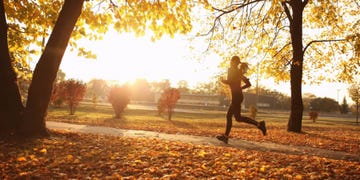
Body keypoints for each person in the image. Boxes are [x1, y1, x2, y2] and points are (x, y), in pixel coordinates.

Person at [216, 56, 266, 144]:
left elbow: (230, 81)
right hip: (238, 96)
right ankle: (259, 124)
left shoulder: (232, 70)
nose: (231, 62)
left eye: (232, 61)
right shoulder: (239, 72)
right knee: (237, 118)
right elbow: (248, 84)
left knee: (232, 117)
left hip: (236, 97)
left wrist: (223, 80)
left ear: (234, 62)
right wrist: (240, 88)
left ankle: (226, 137)